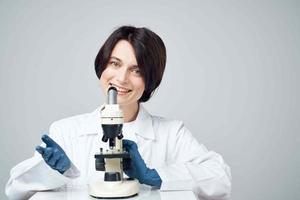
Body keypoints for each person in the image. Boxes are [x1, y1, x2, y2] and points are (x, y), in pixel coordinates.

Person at [5, 26, 232, 200]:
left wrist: (155, 175)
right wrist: (54, 172)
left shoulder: (171, 133)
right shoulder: (66, 131)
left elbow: (221, 179)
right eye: (115, 63)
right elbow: (14, 190)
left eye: (136, 70)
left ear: (150, 80)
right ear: (102, 66)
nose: (121, 79)